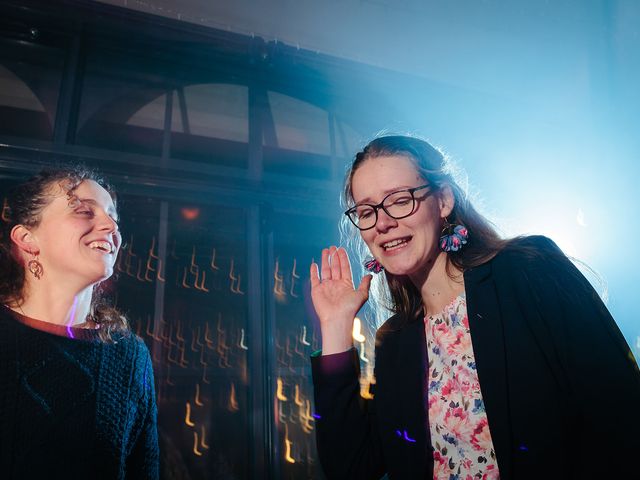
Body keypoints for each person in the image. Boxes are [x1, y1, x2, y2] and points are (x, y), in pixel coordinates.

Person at [309, 135, 640, 479]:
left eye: (400, 200)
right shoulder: (394, 341)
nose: (383, 222)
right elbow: (351, 468)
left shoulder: (527, 271)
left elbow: (622, 413)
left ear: (443, 201)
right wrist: (335, 326)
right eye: (367, 210)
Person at [0, 167, 159, 479]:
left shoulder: (130, 357)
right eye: (84, 210)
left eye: (114, 217)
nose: (111, 226)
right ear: (27, 239)